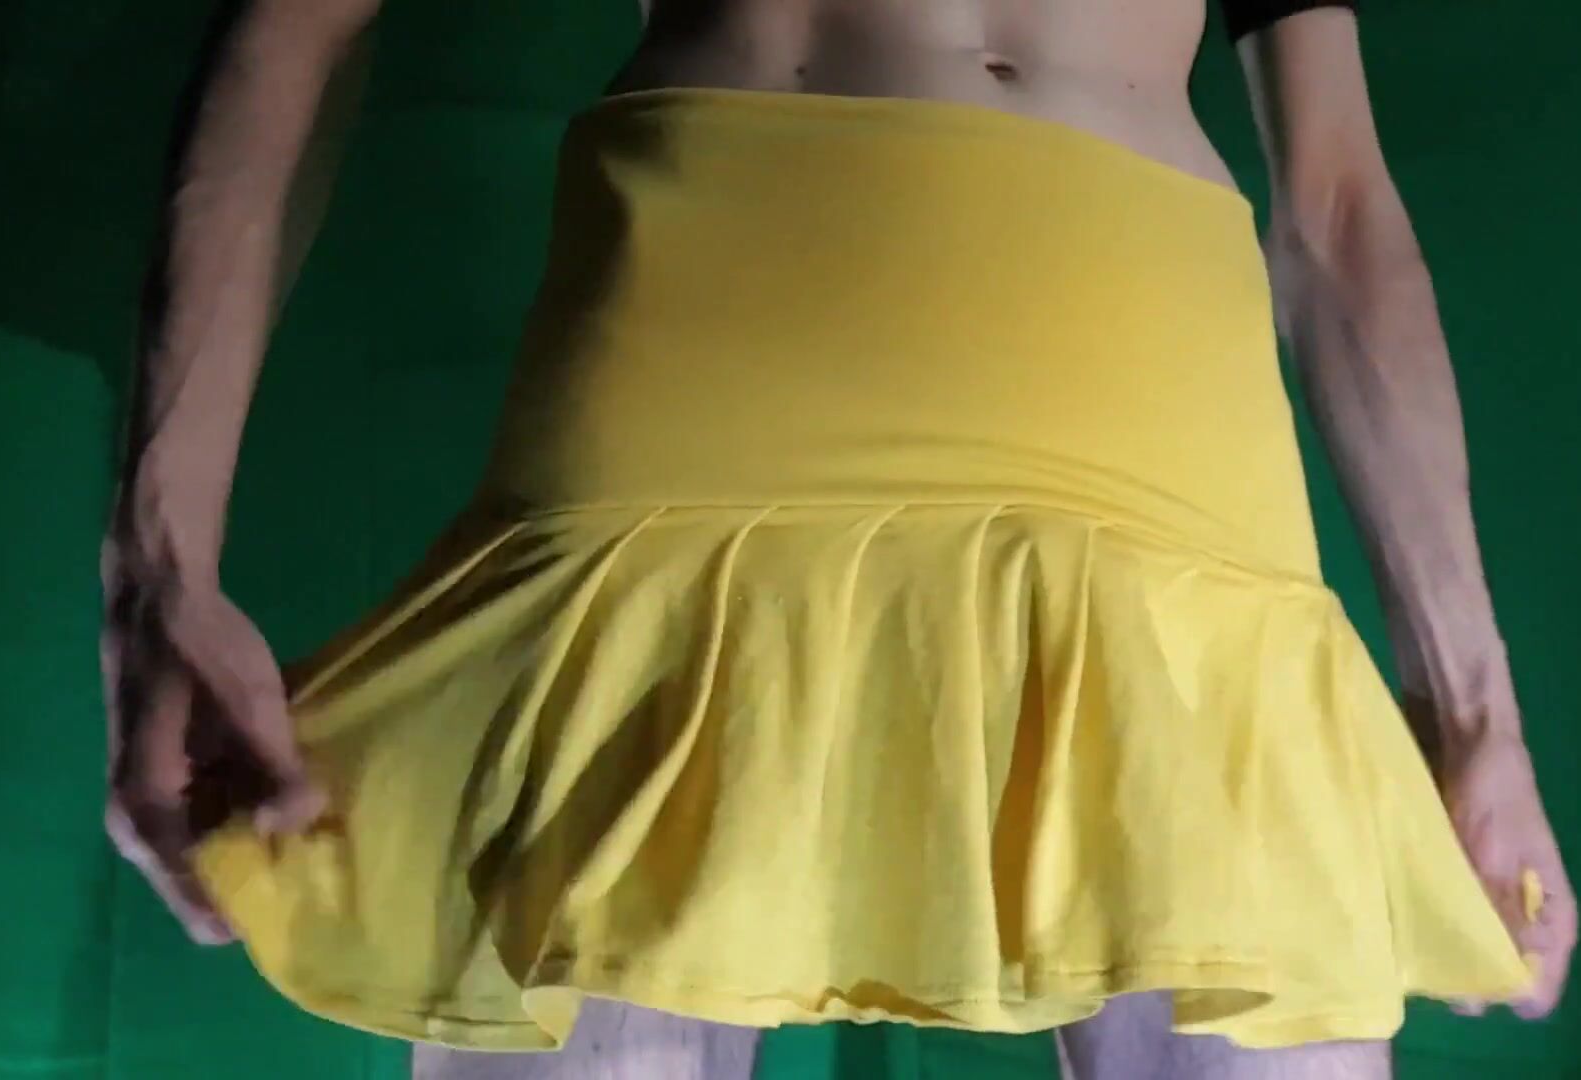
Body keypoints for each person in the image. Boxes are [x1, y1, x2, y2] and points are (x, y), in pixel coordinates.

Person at [100, 1, 1576, 1078]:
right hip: (699, 395)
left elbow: (1337, 201)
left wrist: (1475, 711)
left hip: (1161, 448)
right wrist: (158, 562)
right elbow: (293, 21)